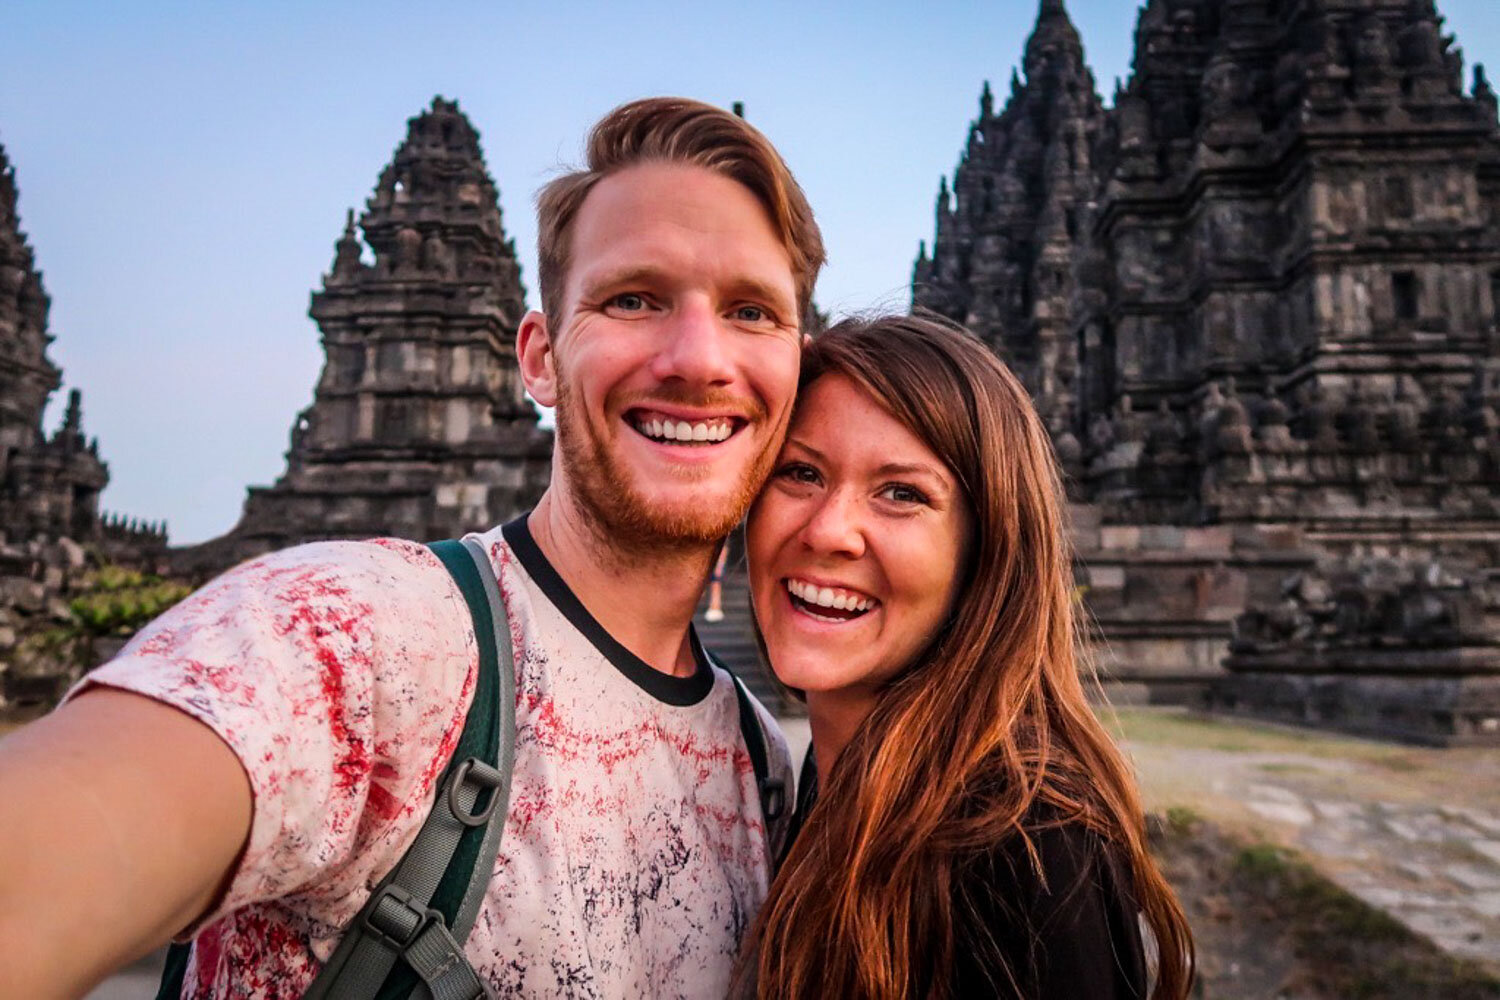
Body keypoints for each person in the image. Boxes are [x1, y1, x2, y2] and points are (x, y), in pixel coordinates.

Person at [0, 97, 823, 998]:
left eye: (751, 311)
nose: (698, 356)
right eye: (633, 298)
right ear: (538, 356)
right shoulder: (357, 642)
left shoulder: (765, 764)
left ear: (797, 365)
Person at [741, 315, 1194, 998]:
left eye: (902, 493)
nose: (829, 530)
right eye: (800, 472)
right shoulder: (820, 775)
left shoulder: (1023, 846)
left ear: (985, 555)